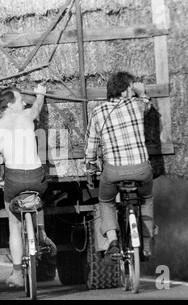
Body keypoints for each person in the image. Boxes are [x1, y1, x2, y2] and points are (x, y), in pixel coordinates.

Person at [83, 71, 155, 265]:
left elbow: (91, 148)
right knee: (146, 197)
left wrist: (90, 170)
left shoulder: (98, 112)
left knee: (105, 201)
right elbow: (148, 104)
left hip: (113, 171)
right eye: (130, 88)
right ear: (123, 92)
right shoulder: (138, 105)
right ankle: (147, 242)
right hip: (141, 169)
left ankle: (113, 240)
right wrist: (141, 91)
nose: (132, 91)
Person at [0, 84, 57, 288]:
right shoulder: (27, 117)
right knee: (39, 196)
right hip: (36, 177)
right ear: (10, 104)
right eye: (20, 100)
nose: (24, 102)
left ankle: (17, 273)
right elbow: (37, 107)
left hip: (14, 181)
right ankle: (41, 232)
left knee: (14, 225)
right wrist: (40, 94)